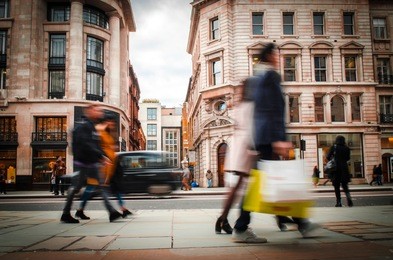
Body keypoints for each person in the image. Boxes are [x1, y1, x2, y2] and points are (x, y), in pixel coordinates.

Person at [232, 43, 317, 243]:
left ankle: (301, 222)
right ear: (270, 56)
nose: (280, 59)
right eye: (278, 55)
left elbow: (259, 111)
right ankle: (242, 227)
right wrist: (279, 138)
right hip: (269, 138)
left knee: (267, 182)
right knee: (266, 183)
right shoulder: (270, 77)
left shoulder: (257, 77)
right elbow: (273, 109)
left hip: (261, 138)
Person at [60, 104, 122, 223]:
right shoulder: (85, 126)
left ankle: (112, 212)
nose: (100, 112)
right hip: (84, 163)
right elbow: (87, 144)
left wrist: (101, 155)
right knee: (77, 188)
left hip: (91, 162)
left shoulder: (92, 126)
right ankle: (66, 213)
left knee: (101, 187)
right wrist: (101, 156)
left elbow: (95, 145)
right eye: (97, 110)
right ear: (90, 111)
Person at [98, 113, 132, 218]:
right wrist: (103, 158)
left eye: (113, 122)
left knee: (116, 188)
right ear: (106, 122)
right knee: (101, 190)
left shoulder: (108, 133)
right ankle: (113, 211)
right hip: (105, 165)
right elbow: (98, 148)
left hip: (113, 164)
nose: (112, 124)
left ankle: (122, 209)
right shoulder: (100, 132)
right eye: (110, 122)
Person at [326, 135, 353, 207]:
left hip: (336, 169)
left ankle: (339, 202)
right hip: (344, 169)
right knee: (345, 186)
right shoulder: (347, 148)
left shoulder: (334, 147)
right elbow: (348, 158)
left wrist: (333, 158)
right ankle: (349, 198)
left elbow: (328, 157)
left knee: (336, 187)